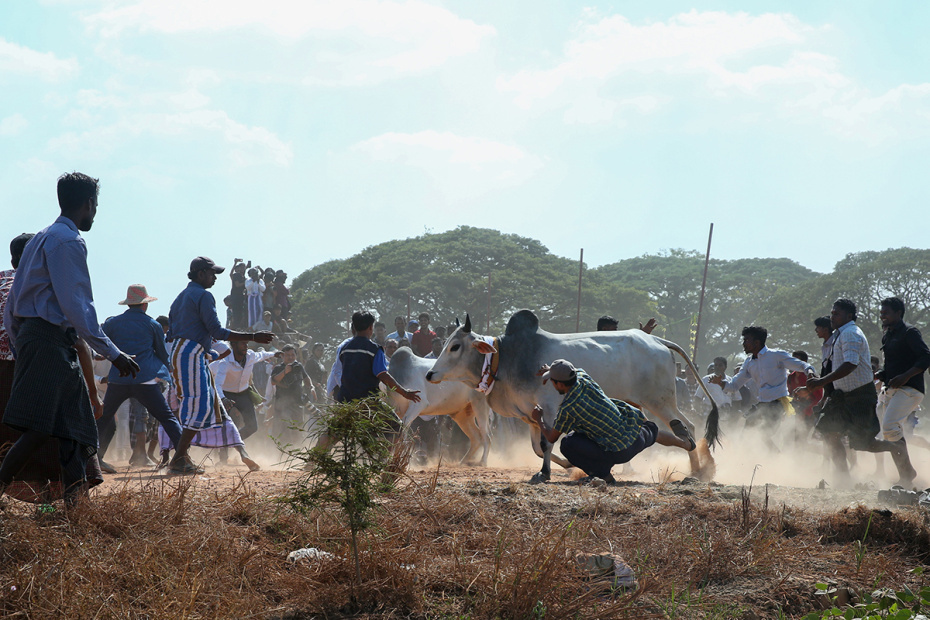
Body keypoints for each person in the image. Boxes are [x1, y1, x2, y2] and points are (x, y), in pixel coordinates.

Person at [0, 173, 140, 505]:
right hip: (50, 342)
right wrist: (113, 353)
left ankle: (75, 509)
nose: (95, 213)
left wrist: (23, 344)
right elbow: (77, 305)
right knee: (39, 429)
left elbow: (13, 305)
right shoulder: (68, 241)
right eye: (96, 206)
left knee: (74, 429)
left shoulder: (41, 237)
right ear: (89, 204)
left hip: (39, 341)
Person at [167, 256, 274, 474]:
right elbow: (217, 330)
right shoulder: (204, 296)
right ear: (201, 274)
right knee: (198, 406)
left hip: (185, 352)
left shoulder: (180, 297)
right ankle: (178, 459)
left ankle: (182, 457)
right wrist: (253, 336)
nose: (215, 278)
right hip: (191, 352)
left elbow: (173, 332)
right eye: (212, 273)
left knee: (205, 404)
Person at [806, 299, 916, 486]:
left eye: (836, 314)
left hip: (860, 396)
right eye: (832, 313)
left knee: (864, 443)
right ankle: (843, 479)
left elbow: (850, 364)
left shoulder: (851, 333)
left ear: (849, 316)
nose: (832, 317)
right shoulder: (839, 335)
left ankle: (897, 448)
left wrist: (821, 382)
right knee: (829, 433)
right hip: (841, 396)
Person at [530, 359, 693, 483]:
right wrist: (552, 371)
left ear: (559, 384)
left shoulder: (568, 408)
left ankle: (603, 475)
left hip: (618, 452)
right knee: (653, 433)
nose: (551, 384)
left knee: (568, 443)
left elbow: (551, 437)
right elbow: (573, 371)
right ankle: (685, 443)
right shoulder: (583, 377)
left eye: (552, 381)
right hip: (633, 433)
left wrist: (539, 418)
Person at [95, 284, 185, 472]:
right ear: (145, 304)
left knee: (104, 418)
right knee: (167, 418)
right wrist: (168, 374)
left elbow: (101, 344)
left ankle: (92, 459)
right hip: (144, 380)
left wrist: (107, 356)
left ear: (128, 304)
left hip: (118, 379)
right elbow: (161, 354)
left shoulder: (112, 323)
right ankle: (183, 459)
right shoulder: (153, 325)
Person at [317, 311, 420, 449]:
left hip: (345, 401)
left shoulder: (345, 348)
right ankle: (386, 457)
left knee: (333, 431)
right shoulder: (374, 349)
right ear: (371, 328)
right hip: (369, 402)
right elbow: (383, 375)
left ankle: (315, 456)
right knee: (396, 427)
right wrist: (404, 392)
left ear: (353, 327)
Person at [710, 326, 814, 441]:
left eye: (746, 340)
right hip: (762, 404)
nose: (743, 344)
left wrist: (810, 373)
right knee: (747, 434)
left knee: (762, 435)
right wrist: (721, 383)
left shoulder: (776, 356)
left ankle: (772, 452)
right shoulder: (748, 362)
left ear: (757, 342)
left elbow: (803, 365)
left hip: (778, 404)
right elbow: (734, 386)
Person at [873, 297, 930, 482]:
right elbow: (891, 365)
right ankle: (906, 473)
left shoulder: (909, 332)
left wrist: (905, 376)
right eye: (881, 313)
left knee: (889, 428)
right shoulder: (887, 335)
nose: (882, 316)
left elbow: (925, 357)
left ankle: (907, 472)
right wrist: (880, 374)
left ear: (898, 313)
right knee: (889, 432)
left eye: (886, 313)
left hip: (910, 389)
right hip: (891, 390)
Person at [214, 340, 281, 442]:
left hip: (244, 395)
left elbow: (262, 355)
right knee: (227, 425)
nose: (246, 346)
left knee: (253, 427)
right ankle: (223, 449)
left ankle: (231, 442)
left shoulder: (250, 355)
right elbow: (217, 384)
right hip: (227, 396)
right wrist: (223, 398)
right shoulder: (224, 362)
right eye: (242, 343)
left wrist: (274, 354)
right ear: (234, 345)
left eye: (246, 343)